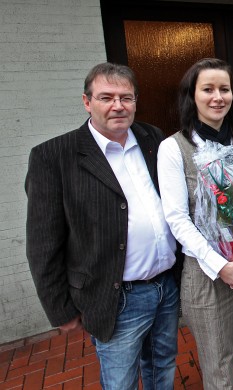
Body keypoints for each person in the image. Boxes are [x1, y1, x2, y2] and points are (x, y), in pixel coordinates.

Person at [25, 62, 179, 390]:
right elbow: (42, 242)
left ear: (136, 101)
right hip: (116, 297)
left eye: (126, 97)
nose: (118, 105)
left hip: (166, 286)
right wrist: (59, 308)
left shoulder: (151, 138)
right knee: (120, 381)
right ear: (87, 101)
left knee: (162, 366)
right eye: (106, 97)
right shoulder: (54, 157)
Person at [157, 58, 233, 389]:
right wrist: (220, 265)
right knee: (218, 363)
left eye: (224, 89)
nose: (217, 97)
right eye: (207, 89)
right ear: (192, 96)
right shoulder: (173, 148)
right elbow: (177, 219)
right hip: (207, 273)